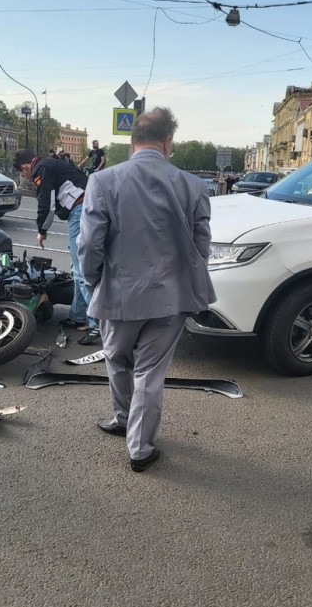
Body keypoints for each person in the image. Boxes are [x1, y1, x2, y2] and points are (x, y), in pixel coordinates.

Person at [78, 107, 216, 472]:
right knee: (150, 373)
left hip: (118, 294)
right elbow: (202, 246)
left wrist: (94, 283)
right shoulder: (194, 186)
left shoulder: (103, 181)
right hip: (171, 299)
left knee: (117, 360)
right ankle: (139, 447)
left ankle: (123, 419)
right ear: (168, 141)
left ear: (132, 141)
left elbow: (89, 245)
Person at [13, 147, 100, 344]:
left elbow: (47, 203)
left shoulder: (40, 169)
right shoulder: (50, 164)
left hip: (80, 209)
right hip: (86, 206)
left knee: (81, 271)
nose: (27, 178)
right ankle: (79, 316)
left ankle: (98, 323)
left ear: (25, 167)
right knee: (76, 268)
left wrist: (42, 231)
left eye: (23, 174)